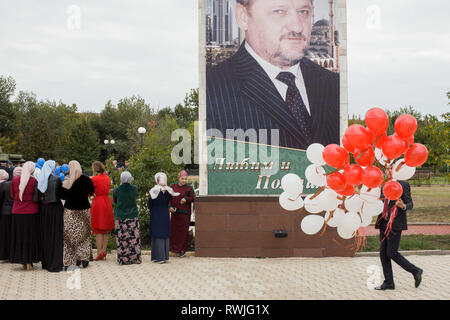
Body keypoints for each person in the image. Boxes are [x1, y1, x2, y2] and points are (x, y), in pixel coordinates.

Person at [206, 0, 339, 150]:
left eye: (303, 12)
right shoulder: (211, 90)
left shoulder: (334, 85)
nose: (297, 26)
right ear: (243, 17)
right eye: (279, 11)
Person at [374, 180, 423, 290]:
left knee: (391, 253)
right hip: (383, 222)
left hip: (395, 224)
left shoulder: (403, 184)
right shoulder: (383, 183)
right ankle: (389, 282)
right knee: (383, 254)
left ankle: (415, 271)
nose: (387, 167)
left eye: (390, 164)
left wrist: (403, 205)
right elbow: (381, 201)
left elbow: (410, 204)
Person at [60, 160, 95, 269]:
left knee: (69, 236)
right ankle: (84, 259)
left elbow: (63, 196)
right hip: (84, 210)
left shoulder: (67, 180)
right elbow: (92, 191)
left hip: (70, 211)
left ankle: (69, 262)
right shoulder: (86, 179)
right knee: (84, 235)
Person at [9, 161, 40, 270]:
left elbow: (12, 195)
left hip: (17, 211)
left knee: (19, 236)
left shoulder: (15, 180)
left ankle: (21, 259)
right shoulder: (34, 181)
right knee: (30, 236)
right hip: (31, 211)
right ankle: (29, 260)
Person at [37, 160, 64, 272]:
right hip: (55, 210)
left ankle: (46, 262)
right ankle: (55, 263)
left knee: (45, 235)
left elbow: (38, 196)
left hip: (43, 210)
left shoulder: (40, 179)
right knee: (55, 236)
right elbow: (61, 195)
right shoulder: (56, 179)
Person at [147, 172, 179, 264]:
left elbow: (150, 204)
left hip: (156, 213)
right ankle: (164, 256)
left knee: (157, 233)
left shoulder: (154, 190)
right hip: (165, 213)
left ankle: (158, 257)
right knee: (164, 233)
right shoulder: (169, 190)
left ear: (157, 180)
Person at [113, 171, 141, 265]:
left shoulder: (117, 190)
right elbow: (135, 197)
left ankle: (123, 259)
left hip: (120, 216)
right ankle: (135, 258)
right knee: (134, 238)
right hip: (133, 215)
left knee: (122, 239)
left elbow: (115, 200)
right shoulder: (134, 189)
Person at [90, 161, 114, 261]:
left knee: (98, 228)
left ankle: (99, 252)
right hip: (106, 202)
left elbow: (90, 192)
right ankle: (104, 251)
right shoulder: (107, 178)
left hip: (98, 202)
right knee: (106, 228)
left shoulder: (94, 179)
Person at [169, 170, 196, 257]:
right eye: (182, 178)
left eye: (185, 179)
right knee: (174, 231)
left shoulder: (189, 188)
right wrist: (169, 207)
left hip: (185, 214)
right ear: (178, 178)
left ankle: (182, 250)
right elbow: (168, 198)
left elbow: (193, 197)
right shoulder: (173, 186)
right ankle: (173, 248)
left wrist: (186, 199)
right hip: (175, 213)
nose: (184, 180)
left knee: (183, 232)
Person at [0, 169, 15, 260]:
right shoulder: (11, 184)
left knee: (4, 235)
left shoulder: (2, 186)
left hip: (4, 212)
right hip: (14, 211)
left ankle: (3, 254)